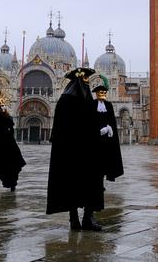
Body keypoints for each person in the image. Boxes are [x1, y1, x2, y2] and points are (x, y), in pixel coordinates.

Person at [46, 67, 104, 231]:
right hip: (78, 153)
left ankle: (81, 219)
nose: (87, 86)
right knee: (80, 184)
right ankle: (80, 218)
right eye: (85, 82)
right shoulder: (75, 101)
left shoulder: (71, 100)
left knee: (80, 183)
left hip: (79, 152)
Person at [92, 77, 124, 183]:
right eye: (100, 92)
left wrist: (110, 129)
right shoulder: (91, 105)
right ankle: (96, 181)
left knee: (105, 161)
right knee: (95, 161)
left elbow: (112, 120)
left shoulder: (109, 105)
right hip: (95, 139)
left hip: (106, 140)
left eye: (103, 92)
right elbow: (89, 119)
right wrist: (97, 130)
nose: (102, 95)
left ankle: (101, 181)